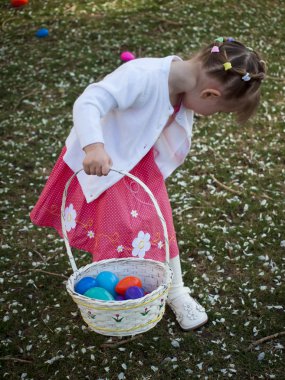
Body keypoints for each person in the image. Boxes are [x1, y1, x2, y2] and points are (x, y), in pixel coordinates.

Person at [30, 37, 266, 331]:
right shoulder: (142, 76)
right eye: (217, 111)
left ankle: (176, 290)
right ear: (208, 93)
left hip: (141, 167)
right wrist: (93, 146)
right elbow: (89, 101)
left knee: (161, 224)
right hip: (107, 163)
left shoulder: (183, 88)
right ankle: (115, 299)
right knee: (120, 228)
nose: (211, 116)